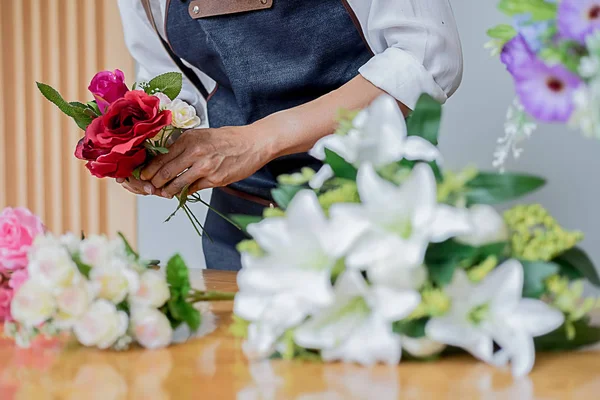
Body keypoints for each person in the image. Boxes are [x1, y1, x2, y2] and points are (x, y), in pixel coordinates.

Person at [116, 0, 463, 271]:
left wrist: (258, 140)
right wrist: (146, 145)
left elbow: (423, 56)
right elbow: (172, 76)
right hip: (241, 223)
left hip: (375, 207)